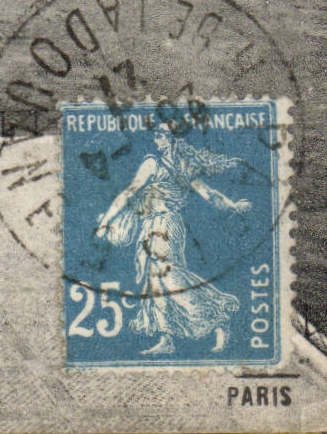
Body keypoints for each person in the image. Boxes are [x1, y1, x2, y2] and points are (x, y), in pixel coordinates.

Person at [94, 126, 250, 355]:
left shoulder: (160, 164)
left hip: (165, 226)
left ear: (171, 140)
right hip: (153, 226)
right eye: (155, 135)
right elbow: (130, 192)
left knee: (170, 277)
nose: (155, 139)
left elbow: (208, 193)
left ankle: (217, 316)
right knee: (156, 282)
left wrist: (105, 222)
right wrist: (233, 205)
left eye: (160, 135)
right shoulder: (174, 166)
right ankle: (167, 338)